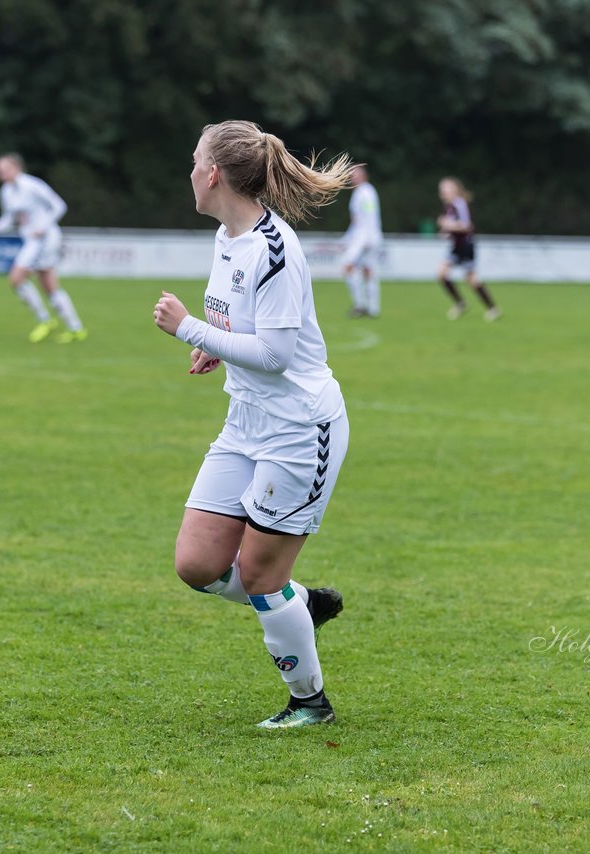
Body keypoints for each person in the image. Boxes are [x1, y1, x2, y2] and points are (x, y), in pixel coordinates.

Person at [153, 120, 351, 729]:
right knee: (197, 564)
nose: (189, 172)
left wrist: (188, 327)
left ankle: (308, 702)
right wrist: (215, 344)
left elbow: (277, 355)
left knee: (260, 575)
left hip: (299, 427)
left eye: (193, 162)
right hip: (244, 422)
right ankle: (295, 605)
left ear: (213, 175)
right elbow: (248, 332)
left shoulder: (276, 249)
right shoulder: (225, 236)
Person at [0, 153, 87, 344]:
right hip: (33, 241)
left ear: (16, 167)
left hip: (45, 239)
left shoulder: (32, 185)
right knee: (49, 286)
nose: (0, 173)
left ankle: (45, 321)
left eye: (4, 169)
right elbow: (9, 219)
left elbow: (59, 205)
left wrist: (43, 227)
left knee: (16, 279)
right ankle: (76, 329)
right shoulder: (6, 191)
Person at [436, 176, 500, 321]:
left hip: (466, 245)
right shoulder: (449, 207)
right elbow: (450, 227)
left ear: (456, 190)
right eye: (442, 189)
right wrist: (445, 232)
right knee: (441, 274)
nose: (444, 192)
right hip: (456, 246)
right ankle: (460, 303)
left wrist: (447, 225)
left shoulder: (460, 204)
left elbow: (466, 225)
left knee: (471, 279)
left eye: (447, 189)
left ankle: (492, 308)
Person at [341, 164, 382, 318]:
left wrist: (366, 238)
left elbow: (368, 217)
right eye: (351, 175)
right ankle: (370, 308)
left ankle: (362, 305)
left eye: (355, 175)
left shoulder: (365, 192)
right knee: (368, 271)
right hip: (364, 237)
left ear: (364, 176)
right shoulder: (363, 192)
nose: (352, 178)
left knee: (349, 267)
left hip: (365, 238)